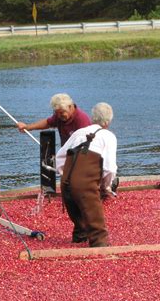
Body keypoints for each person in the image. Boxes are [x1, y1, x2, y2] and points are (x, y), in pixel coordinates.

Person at [56, 102, 117, 247]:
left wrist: (65, 176)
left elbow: (59, 157)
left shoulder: (78, 133)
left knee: (80, 225)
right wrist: (106, 187)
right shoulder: (108, 136)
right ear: (107, 122)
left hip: (66, 184)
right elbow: (109, 168)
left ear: (92, 118)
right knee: (98, 233)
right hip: (85, 185)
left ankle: (79, 239)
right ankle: (99, 248)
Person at [17, 93, 91, 146]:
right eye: (56, 112)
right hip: (67, 154)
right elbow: (48, 123)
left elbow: (86, 145)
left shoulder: (81, 120)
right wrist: (27, 127)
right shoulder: (59, 116)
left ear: (70, 107)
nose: (58, 116)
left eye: (62, 112)